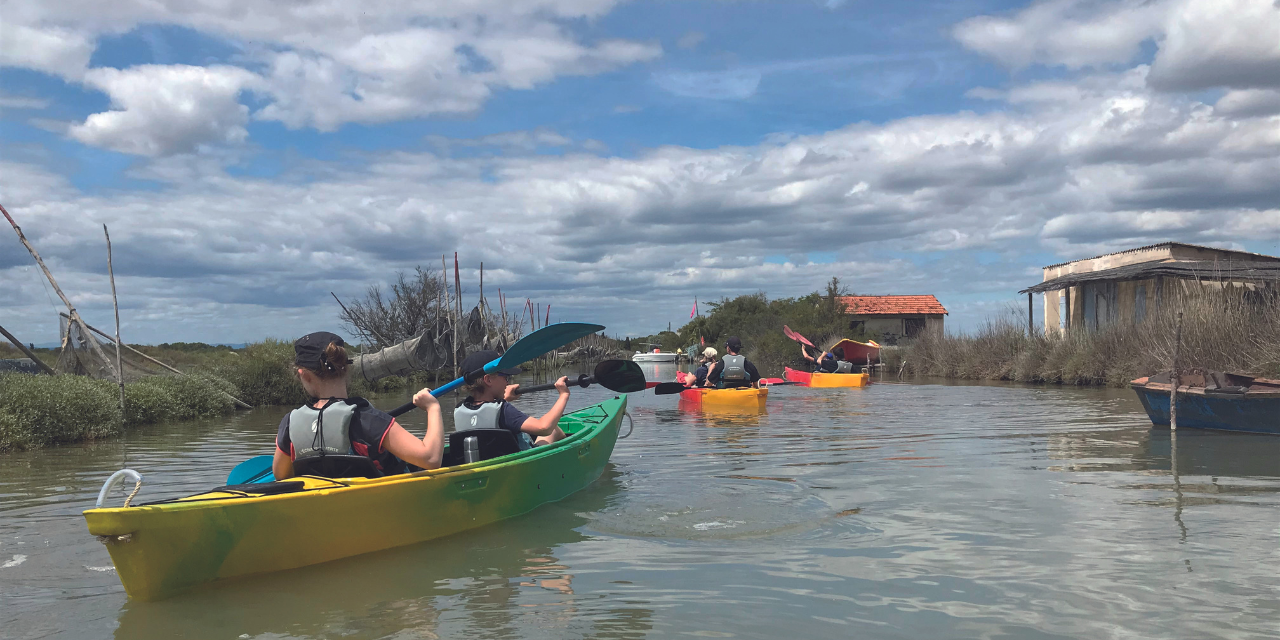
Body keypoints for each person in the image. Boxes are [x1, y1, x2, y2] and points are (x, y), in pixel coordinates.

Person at [274, 332, 444, 480]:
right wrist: (432, 408)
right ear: (346, 368)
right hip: (378, 508)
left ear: (304, 375)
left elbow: (280, 475)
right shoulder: (369, 420)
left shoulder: (289, 423)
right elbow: (430, 459)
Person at [454, 350, 570, 449]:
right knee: (553, 428)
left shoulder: (459, 409)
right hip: (525, 463)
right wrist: (563, 395)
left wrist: (504, 398)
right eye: (505, 377)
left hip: (488, 464)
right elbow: (544, 427)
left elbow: (485, 416)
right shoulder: (504, 410)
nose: (507, 382)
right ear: (488, 380)